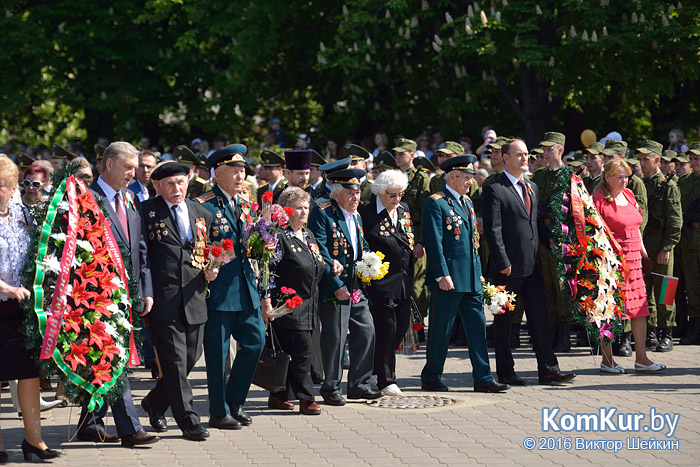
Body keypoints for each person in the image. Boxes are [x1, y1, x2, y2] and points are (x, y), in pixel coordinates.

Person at [79, 142, 158, 448]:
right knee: (114, 359)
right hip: (96, 294)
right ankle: (130, 429)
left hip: (128, 295)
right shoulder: (87, 199)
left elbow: (140, 250)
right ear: (108, 164)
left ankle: (90, 422)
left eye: (134, 168)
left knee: (101, 357)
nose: (133, 174)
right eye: (127, 167)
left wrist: (145, 290)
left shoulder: (129, 199)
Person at [482, 139, 577, 385]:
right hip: (508, 267)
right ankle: (506, 372)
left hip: (533, 265)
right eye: (519, 154)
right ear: (505, 157)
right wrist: (502, 260)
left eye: (526, 154)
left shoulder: (532, 186)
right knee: (504, 322)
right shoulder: (495, 188)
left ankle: (548, 369)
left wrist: (552, 241)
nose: (525, 158)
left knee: (539, 319)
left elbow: (533, 222)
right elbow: (493, 229)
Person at [140, 162, 217, 440]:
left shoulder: (201, 212)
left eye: (181, 182)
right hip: (164, 298)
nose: (176, 189)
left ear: (189, 182)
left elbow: (205, 251)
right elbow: (142, 255)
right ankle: (189, 420)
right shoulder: (146, 212)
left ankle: (154, 403)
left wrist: (213, 267)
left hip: (195, 296)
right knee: (173, 361)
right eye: (170, 184)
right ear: (158, 186)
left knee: (189, 359)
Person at [420, 154, 508, 394]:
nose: (471, 182)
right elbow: (434, 241)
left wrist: (478, 272)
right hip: (448, 278)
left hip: (470, 278)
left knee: (477, 328)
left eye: (471, 177)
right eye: (467, 177)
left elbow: (473, 243)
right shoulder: (436, 202)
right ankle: (431, 376)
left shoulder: (467, 203)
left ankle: (483, 377)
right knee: (441, 330)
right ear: (452, 176)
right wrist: (441, 274)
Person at [195, 144, 266, 430]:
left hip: (247, 287)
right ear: (217, 174)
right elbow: (198, 247)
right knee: (217, 354)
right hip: (220, 291)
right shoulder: (204, 204)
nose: (241, 177)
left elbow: (257, 244)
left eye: (243, 172)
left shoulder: (248, 205)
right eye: (234, 172)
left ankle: (235, 401)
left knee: (255, 342)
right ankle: (218, 410)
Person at [0, 155, 61, 462]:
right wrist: (6, 288)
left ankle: (34, 441)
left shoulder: (23, 214)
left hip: (23, 308)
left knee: (29, 374)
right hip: (1, 302)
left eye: (1, 184)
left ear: (13, 188)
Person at [307, 168, 381, 405]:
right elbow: (320, 249)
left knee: (367, 329)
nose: (355, 198)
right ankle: (331, 387)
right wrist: (335, 282)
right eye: (350, 193)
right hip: (334, 287)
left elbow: (362, 244)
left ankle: (359, 383)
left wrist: (371, 260)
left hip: (356, 286)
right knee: (336, 337)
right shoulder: (322, 212)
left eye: (357, 193)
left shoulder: (356, 216)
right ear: (336, 193)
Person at [592, 159, 666, 373]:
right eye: (619, 176)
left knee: (639, 310)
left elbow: (635, 228)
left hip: (634, 261)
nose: (624, 180)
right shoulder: (599, 199)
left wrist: (642, 251)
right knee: (608, 310)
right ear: (607, 177)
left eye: (626, 176)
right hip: (611, 262)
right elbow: (594, 232)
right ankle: (607, 360)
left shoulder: (630, 195)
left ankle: (642, 359)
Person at [261, 187, 324, 415]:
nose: (304, 211)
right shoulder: (279, 236)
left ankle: (278, 395)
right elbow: (268, 269)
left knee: (290, 352)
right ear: (287, 210)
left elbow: (316, 261)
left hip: (310, 304)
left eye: (307, 207)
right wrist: (267, 302)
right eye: (299, 207)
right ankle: (306, 398)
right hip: (288, 305)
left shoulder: (307, 234)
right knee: (302, 353)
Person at [359, 170, 414, 396]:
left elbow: (408, 238)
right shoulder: (366, 213)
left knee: (400, 327)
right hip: (380, 281)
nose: (397, 199)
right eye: (393, 195)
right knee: (386, 329)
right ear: (381, 193)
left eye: (401, 194)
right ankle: (386, 379)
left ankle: (375, 368)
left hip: (402, 279)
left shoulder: (404, 209)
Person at [638, 140, 682, 352]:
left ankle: (668, 333)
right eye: (640, 159)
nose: (642, 163)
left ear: (657, 160)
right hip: (644, 245)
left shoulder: (669, 186)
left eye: (646, 159)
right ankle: (652, 332)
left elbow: (675, 220)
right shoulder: (640, 184)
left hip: (662, 246)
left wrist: (667, 247)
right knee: (645, 292)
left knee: (666, 292)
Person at [532, 132, 573, 353]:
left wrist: (561, 238)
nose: (545, 153)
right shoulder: (539, 177)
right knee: (546, 288)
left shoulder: (570, 177)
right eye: (544, 150)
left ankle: (564, 334)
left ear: (560, 150)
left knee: (562, 287)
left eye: (549, 149)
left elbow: (576, 213)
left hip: (562, 240)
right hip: (542, 237)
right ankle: (551, 332)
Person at [678, 142, 700, 345]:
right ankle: (695, 325)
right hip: (688, 241)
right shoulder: (684, 183)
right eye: (692, 159)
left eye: (697, 158)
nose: (694, 162)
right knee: (692, 287)